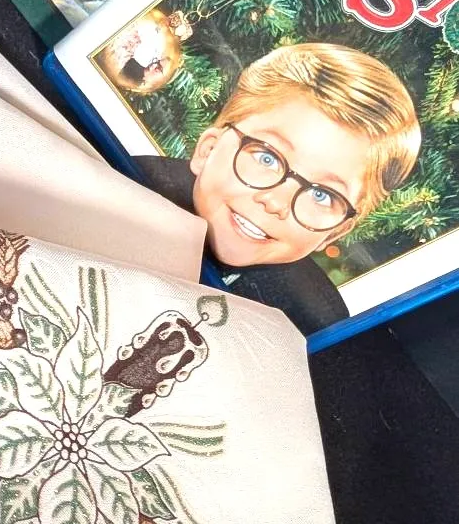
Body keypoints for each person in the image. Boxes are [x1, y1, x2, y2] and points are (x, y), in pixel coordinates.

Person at [132, 42, 421, 334]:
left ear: (335, 232)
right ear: (208, 149)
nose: (277, 202)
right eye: (267, 158)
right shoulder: (130, 182)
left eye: (321, 195)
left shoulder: (312, 323)